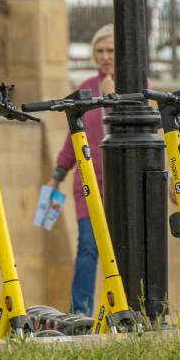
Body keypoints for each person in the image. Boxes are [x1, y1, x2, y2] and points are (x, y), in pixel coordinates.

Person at [45, 24, 115, 316]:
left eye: (111, 50)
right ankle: (80, 312)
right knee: (88, 248)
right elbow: (72, 140)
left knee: (123, 249)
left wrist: (112, 99)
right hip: (88, 182)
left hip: (122, 182)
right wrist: (55, 179)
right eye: (99, 51)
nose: (105, 56)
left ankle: (125, 306)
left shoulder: (139, 84)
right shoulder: (85, 88)